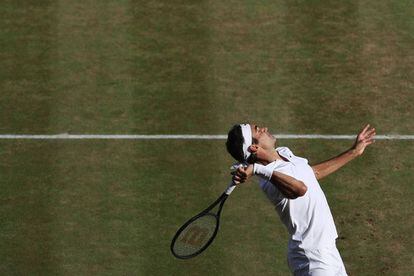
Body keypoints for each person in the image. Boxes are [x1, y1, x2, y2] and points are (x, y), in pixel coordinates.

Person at [226, 123, 376, 276]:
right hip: (312, 259)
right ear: (254, 148)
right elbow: (300, 189)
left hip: (327, 251)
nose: (264, 128)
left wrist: (354, 152)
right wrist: (258, 169)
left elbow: (313, 174)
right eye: (258, 131)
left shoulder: (283, 153)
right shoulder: (270, 181)